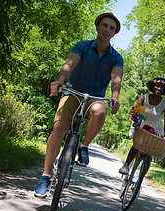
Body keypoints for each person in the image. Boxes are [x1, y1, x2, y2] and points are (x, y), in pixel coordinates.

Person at [34, 12, 124, 198]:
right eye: (105, 26)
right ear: (98, 27)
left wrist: (115, 97)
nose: (107, 30)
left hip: (95, 98)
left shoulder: (116, 57)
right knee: (59, 128)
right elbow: (69, 64)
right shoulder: (82, 46)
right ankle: (45, 176)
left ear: (114, 34)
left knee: (100, 111)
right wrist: (59, 80)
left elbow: (116, 79)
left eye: (112, 28)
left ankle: (84, 146)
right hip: (73, 92)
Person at [118, 78, 165, 175]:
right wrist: (135, 124)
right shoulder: (143, 97)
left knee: (149, 153)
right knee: (137, 145)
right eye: (157, 86)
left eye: (162, 87)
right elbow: (137, 112)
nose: (159, 88)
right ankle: (126, 164)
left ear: (164, 90)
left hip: (156, 127)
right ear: (153, 86)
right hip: (141, 123)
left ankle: (140, 178)